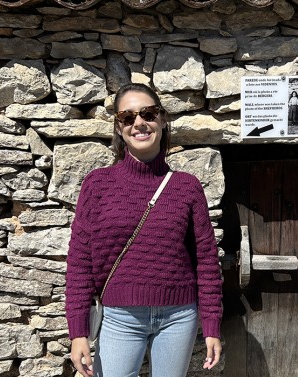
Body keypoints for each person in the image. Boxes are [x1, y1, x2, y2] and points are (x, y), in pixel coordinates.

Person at [65, 83, 223, 377]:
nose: (139, 123)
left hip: (179, 316)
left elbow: (206, 261)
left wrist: (212, 324)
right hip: (119, 318)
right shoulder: (97, 185)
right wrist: (78, 332)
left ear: (162, 120)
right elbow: (79, 263)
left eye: (148, 114)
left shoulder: (186, 186)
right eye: (128, 117)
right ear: (119, 126)